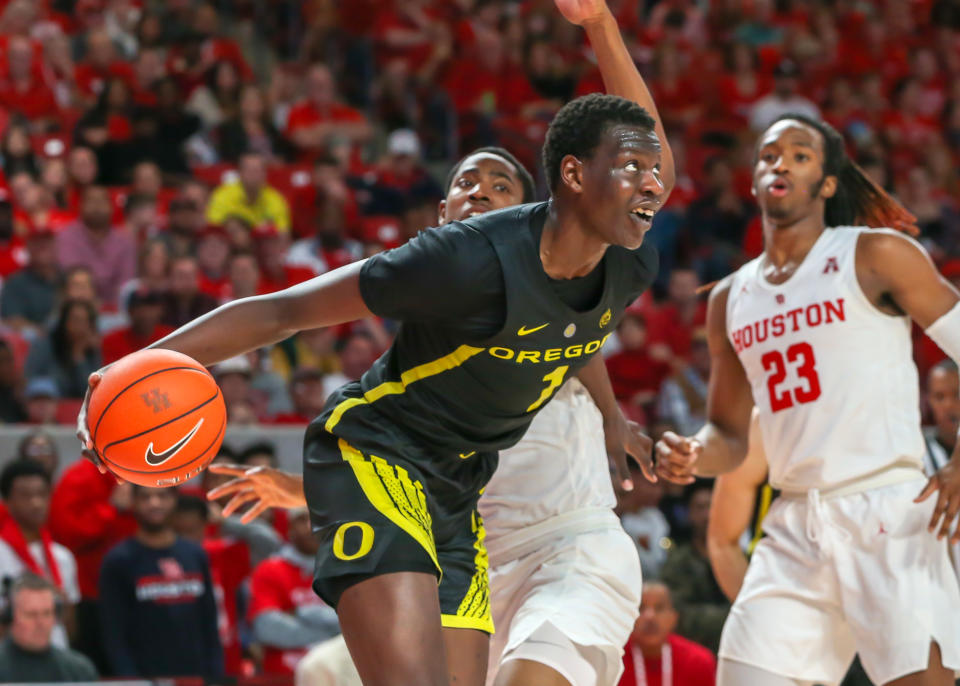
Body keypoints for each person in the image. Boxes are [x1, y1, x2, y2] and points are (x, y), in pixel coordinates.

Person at [80, 3, 677, 686]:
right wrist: (136, 363)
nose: (655, 184)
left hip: (457, 489)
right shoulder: (460, 261)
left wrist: (600, 24)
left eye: (652, 171)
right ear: (573, 177)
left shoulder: (628, 262)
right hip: (376, 455)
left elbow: (574, 336)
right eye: (634, 170)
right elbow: (286, 309)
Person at [655, 111, 960, 686]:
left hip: (888, 510)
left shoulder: (875, 255)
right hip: (794, 521)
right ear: (752, 179)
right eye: (770, 154)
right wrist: (693, 453)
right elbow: (726, 433)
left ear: (826, 184)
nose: (781, 163)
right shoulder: (729, 298)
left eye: (800, 155)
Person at [99, 485, 223, 678]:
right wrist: (132, 681)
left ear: (175, 499)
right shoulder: (118, 561)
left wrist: (216, 676)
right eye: (145, 497)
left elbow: (209, 623)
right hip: (144, 678)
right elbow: (114, 634)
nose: (154, 503)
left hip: (195, 677)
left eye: (162, 496)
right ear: (133, 502)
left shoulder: (195, 555)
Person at [248, 507, 340, 675]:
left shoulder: (344, 570)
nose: (310, 526)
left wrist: (298, 613)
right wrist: (335, 636)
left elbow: (361, 623)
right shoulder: (269, 569)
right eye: (301, 519)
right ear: (289, 528)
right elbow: (267, 629)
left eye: (317, 518)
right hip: (283, 678)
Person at [0, 460, 79, 649]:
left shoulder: (63, 557)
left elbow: (71, 628)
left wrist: (60, 607)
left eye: (42, 494)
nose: (36, 503)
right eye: (25, 496)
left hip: (56, 657)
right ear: (7, 501)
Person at [659, 483, 729, 654]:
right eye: (700, 507)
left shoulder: (736, 558)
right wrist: (731, 616)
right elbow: (677, 615)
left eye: (712, 507)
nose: (708, 515)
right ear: (689, 513)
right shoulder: (678, 562)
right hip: (691, 652)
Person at [0, 574, 98, 683]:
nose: (40, 623)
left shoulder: (79, 670)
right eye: (31, 614)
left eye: (47, 613)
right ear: (10, 616)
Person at [617, 582, 716, 686]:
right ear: (627, 616)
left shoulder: (698, 662)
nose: (650, 616)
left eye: (659, 608)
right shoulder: (612, 660)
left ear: (674, 617)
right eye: (641, 608)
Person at [922, 360, 960, 576]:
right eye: (939, 397)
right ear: (928, 401)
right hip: (940, 572)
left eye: (957, 394)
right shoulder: (917, 453)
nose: (949, 405)